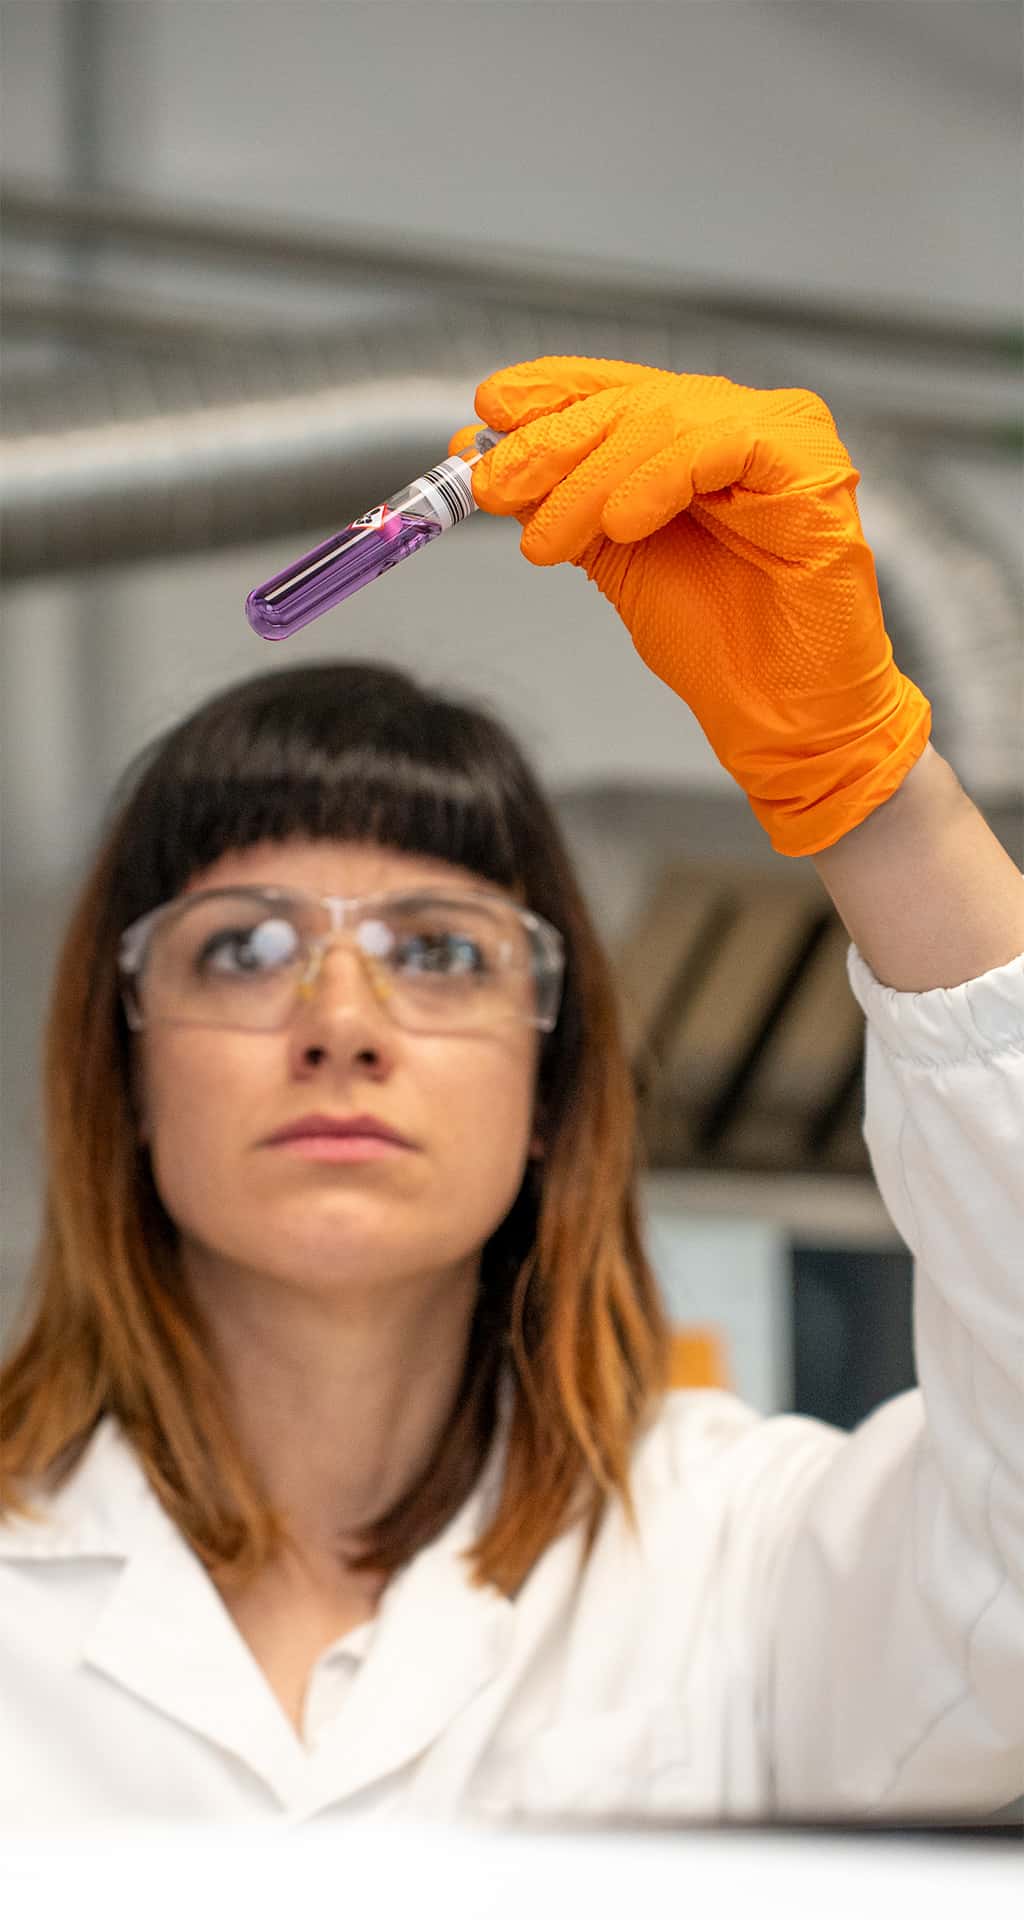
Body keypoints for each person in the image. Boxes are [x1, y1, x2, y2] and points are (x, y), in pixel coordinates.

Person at [1, 357, 1022, 1829]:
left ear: (548, 1087)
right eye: (246, 948)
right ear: (127, 1071)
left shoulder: (736, 1567)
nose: (339, 1026)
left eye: (436, 952)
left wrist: (875, 796)